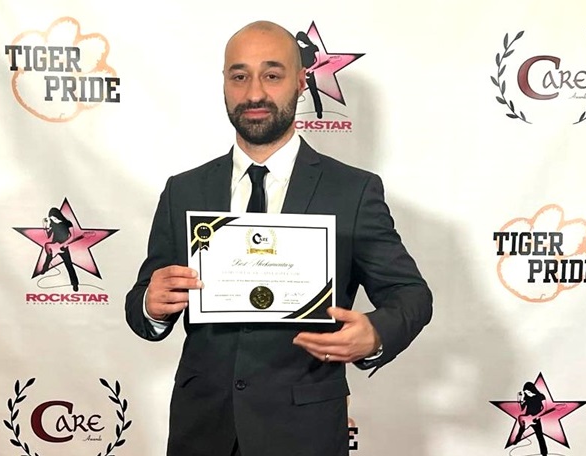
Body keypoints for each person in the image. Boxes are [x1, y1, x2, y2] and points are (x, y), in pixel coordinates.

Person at [125, 20, 432, 456]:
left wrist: (375, 334)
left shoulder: (352, 190)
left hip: (304, 431)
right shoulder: (183, 190)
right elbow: (144, 304)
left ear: (301, 83)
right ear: (225, 84)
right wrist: (150, 305)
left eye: (272, 75)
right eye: (239, 76)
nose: (254, 93)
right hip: (203, 430)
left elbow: (411, 293)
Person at [40, 207, 79, 291]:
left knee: (69, 265)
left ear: (57, 215)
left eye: (53, 217)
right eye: (51, 218)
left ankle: (75, 284)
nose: (52, 219)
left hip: (63, 247)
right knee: (48, 259)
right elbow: (48, 236)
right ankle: (44, 269)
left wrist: (64, 244)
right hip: (53, 246)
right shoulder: (52, 224)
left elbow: (72, 236)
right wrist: (45, 226)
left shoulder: (68, 223)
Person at [514, 382, 550, 456]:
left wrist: (536, 416)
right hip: (526, 418)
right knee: (520, 431)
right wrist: (519, 400)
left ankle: (544, 453)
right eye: (526, 392)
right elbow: (520, 410)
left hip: (536, 420)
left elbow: (544, 409)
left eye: (528, 391)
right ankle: (516, 441)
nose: (527, 393)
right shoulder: (526, 397)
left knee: (540, 436)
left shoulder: (541, 396)